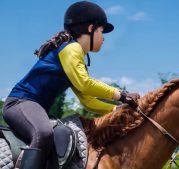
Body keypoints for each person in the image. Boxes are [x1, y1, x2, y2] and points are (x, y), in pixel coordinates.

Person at [2, 1, 140, 169]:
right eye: (101, 31)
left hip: (32, 106)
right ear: (90, 28)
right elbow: (85, 84)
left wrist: (115, 110)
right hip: (19, 103)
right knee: (44, 133)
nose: (103, 38)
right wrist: (122, 94)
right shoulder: (71, 48)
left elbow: (87, 101)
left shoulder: (74, 54)